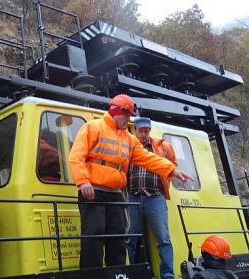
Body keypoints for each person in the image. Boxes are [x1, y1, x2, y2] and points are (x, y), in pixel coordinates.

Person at [68, 94, 193, 269]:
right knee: (93, 239)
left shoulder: (129, 139)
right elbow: (76, 157)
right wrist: (83, 181)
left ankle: (119, 274)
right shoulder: (93, 127)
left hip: (115, 195)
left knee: (117, 241)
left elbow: (149, 158)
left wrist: (172, 169)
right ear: (116, 112)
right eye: (127, 115)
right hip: (93, 192)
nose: (129, 119)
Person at [126, 117, 177, 279]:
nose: (143, 134)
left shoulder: (163, 147)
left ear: (150, 130)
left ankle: (168, 275)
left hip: (155, 197)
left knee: (163, 238)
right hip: (132, 197)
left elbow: (173, 165)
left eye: (146, 131)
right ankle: (131, 274)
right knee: (130, 237)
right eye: (141, 130)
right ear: (135, 129)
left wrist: (166, 181)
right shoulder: (128, 146)